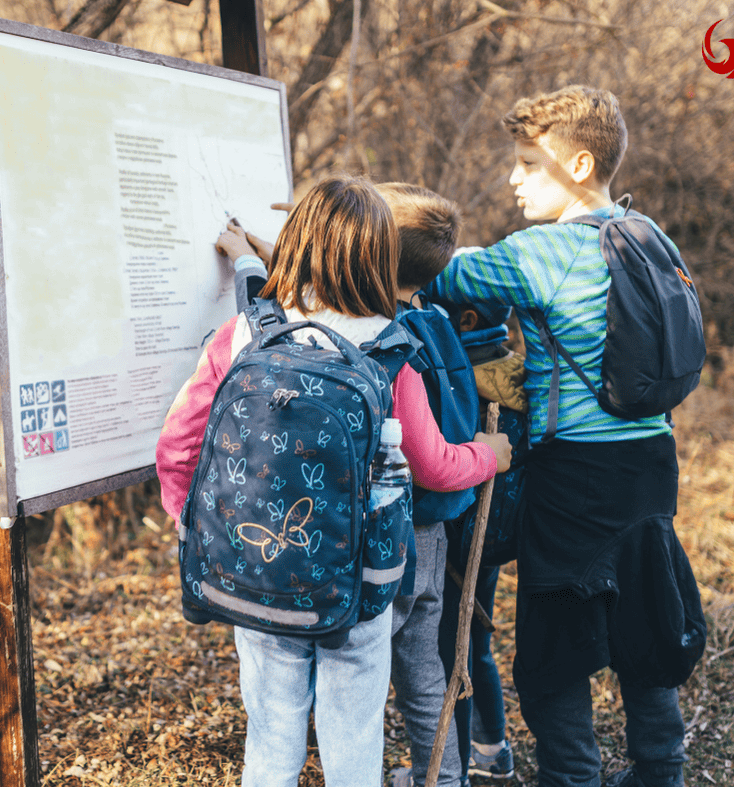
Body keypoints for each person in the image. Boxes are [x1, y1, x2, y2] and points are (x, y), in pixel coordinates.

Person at [156, 175, 511, 787]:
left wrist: (194, 523)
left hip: (259, 567)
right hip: (358, 583)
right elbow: (432, 465)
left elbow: (179, 445)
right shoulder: (389, 347)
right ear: (380, 256)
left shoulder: (245, 334)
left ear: (294, 244)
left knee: (271, 729)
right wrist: (489, 455)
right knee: (352, 732)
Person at [425, 86, 704, 787]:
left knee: (552, 655)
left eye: (527, 163)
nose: (513, 179)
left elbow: (437, 275)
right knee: (646, 625)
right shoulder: (649, 234)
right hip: (651, 464)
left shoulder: (538, 253)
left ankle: (572, 779)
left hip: (574, 476)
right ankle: (658, 771)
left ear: (578, 166)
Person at [372, 182, 488, 787]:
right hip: (433, 524)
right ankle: (442, 776)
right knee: (422, 659)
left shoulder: (382, 331)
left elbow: (427, 456)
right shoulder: (434, 316)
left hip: (384, 524)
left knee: (361, 661)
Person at [440, 299, 527, 782]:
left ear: (467, 321)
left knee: (450, 653)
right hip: (494, 537)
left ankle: (454, 767)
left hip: (459, 540)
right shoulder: (518, 374)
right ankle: (492, 748)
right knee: (476, 645)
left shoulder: (466, 382)